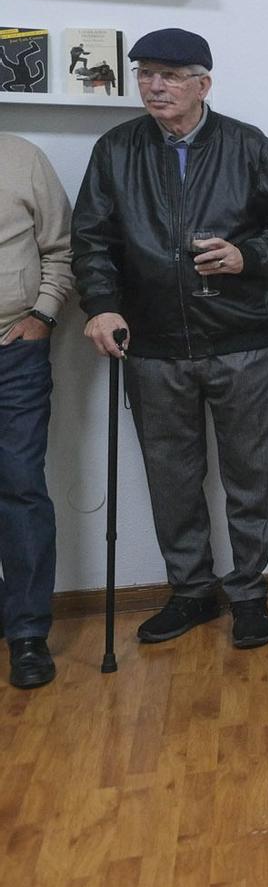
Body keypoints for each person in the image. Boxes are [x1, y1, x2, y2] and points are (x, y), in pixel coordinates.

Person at [72, 28, 268, 651]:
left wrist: (248, 256)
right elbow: (93, 241)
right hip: (152, 344)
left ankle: (249, 594)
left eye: (171, 75)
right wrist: (101, 306)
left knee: (250, 475)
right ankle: (191, 592)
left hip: (242, 341)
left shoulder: (249, 146)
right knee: (172, 476)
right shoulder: (116, 150)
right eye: (146, 73)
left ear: (203, 84)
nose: (154, 85)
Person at [0, 132, 73, 689]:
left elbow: (60, 247)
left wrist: (43, 315)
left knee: (21, 486)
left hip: (14, 350)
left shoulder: (22, 157)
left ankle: (27, 634)